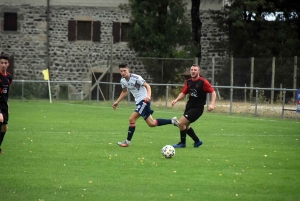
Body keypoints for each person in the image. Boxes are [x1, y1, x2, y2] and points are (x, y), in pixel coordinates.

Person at [113, 63, 177, 147]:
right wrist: (117, 102)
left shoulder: (136, 78)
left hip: (144, 101)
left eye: (124, 71)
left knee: (132, 119)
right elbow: (124, 92)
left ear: (128, 70)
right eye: (121, 71)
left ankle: (127, 142)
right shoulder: (123, 80)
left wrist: (148, 96)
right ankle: (172, 121)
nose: (123, 73)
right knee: (151, 123)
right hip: (139, 102)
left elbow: (147, 86)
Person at [171, 64, 216, 148]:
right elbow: (183, 93)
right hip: (189, 106)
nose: (193, 71)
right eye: (192, 70)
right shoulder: (189, 82)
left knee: (181, 123)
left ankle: (182, 143)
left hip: (198, 108)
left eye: (195, 70)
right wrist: (176, 100)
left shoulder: (203, 82)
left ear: (198, 72)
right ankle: (197, 141)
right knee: (186, 126)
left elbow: (213, 92)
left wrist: (212, 104)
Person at [0, 53, 13, 154]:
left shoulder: (9, 77)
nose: (3, 65)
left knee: (4, 128)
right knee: (0, 119)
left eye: (5, 63)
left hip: (4, 104)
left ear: (8, 64)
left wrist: (7, 105)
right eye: (1, 63)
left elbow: (7, 92)